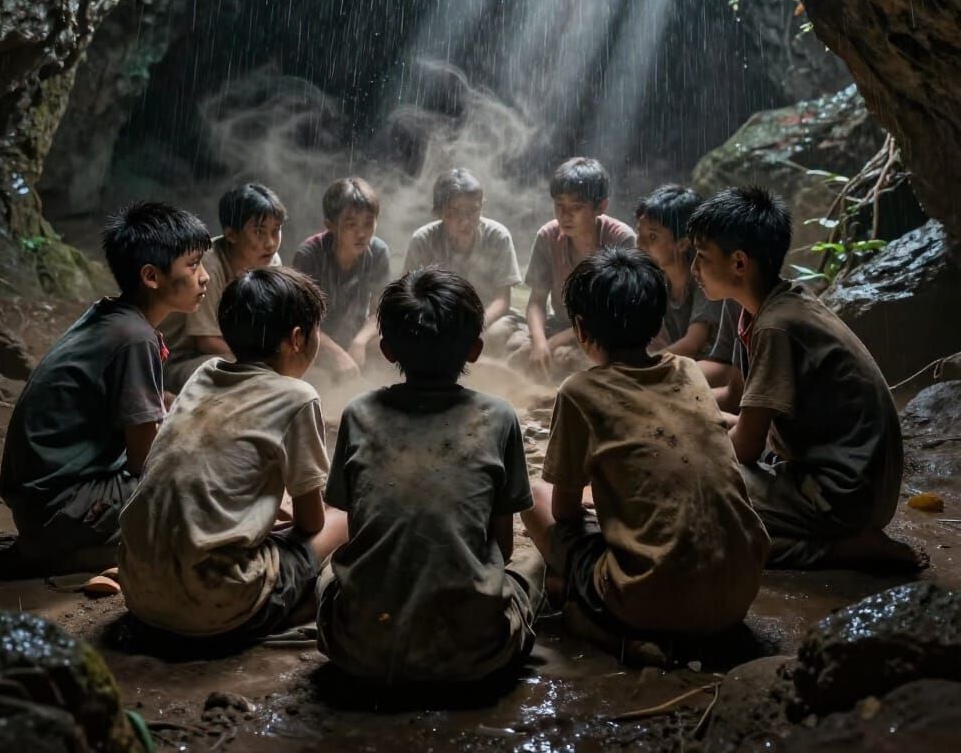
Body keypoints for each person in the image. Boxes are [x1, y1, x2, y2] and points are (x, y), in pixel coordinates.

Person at [522, 247, 769, 648]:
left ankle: (609, 630)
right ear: (656, 327)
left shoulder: (579, 391)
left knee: (535, 497)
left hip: (651, 602)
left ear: (582, 331)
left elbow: (565, 511)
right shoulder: (688, 371)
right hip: (740, 591)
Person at [316, 268, 544, 685]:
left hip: (361, 654)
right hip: (475, 656)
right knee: (533, 564)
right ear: (475, 350)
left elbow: (358, 529)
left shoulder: (358, 413)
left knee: (332, 572)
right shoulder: (499, 417)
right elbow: (505, 546)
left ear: (386, 350)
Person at [686, 185, 918, 570]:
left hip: (842, 493)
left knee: (700, 507)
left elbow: (744, 446)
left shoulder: (775, 327)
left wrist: (687, 449)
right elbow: (751, 420)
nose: (694, 267)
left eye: (702, 256)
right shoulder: (782, 301)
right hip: (859, 479)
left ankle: (845, 549)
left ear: (739, 263)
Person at [119, 267, 347, 641]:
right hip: (213, 604)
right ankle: (291, 609)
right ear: (296, 339)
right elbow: (310, 524)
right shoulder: (297, 395)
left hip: (139, 590)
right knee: (342, 521)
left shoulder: (205, 373)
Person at [0, 202, 212, 574]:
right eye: (193, 266)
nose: (205, 276)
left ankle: (74, 547)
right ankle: (84, 554)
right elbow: (144, 462)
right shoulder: (134, 338)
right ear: (151, 276)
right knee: (194, 486)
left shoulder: (112, 316)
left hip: (39, 502)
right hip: (61, 507)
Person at [514, 157, 635, 375]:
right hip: (561, 324)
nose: (565, 215)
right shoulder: (548, 236)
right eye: (559, 206)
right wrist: (540, 342)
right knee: (518, 352)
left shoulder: (621, 240)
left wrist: (553, 344)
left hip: (605, 333)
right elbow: (536, 301)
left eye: (576, 207)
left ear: (601, 206)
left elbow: (616, 312)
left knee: (570, 361)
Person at [161, 182, 285, 394]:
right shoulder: (208, 265)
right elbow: (206, 341)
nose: (270, 243)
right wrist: (259, 363)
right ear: (232, 235)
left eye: (276, 231)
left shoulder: (271, 262)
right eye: (259, 231)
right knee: (239, 374)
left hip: (229, 353)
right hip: (176, 360)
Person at [402, 168, 521, 340]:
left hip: (486, 320)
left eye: (473, 211)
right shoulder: (423, 240)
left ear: (482, 206)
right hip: (437, 319)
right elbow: (410, 297)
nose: (465, 221)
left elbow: (502, 300)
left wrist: (474, 327)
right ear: (439, 212)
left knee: (496, 336)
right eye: (455, 212)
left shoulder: (498, 236)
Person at [292, 177, 390, 377]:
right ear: (330, 225)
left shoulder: (378, 251)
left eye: (368, 224)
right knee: (316, 376)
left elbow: (380, 310)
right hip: (316, 339)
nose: (362, 234)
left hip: (355, 335)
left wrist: (360, 341)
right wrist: (336, 353)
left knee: (394, 348)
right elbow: (303, 320)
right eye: (351, 225)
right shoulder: (309, 255)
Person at [635, 184, 725, 359]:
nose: (640, 244)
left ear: (683, 243)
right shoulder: (657, 279)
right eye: (639, 233)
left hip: (715, 366)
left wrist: (641, 367)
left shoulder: (703, 279)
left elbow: (691, 344)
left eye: (652, 236)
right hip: (683, 364)